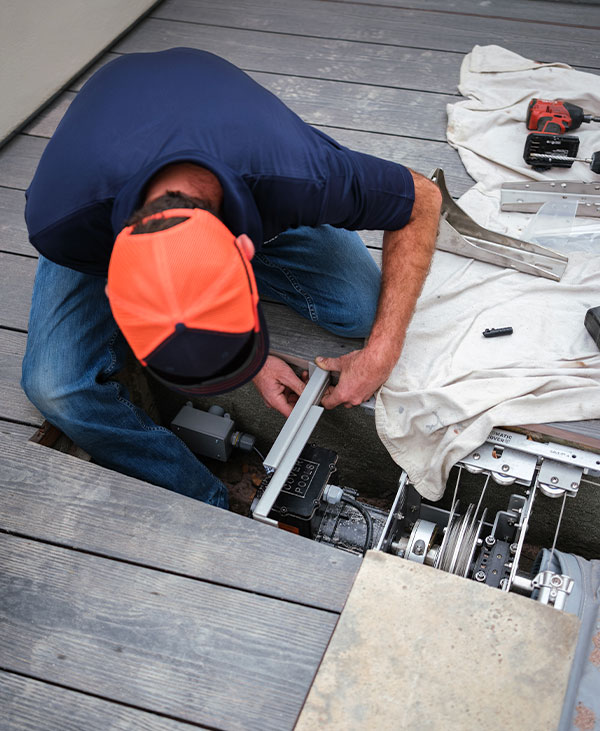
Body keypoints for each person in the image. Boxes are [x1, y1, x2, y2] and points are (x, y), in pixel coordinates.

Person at [22, 48, 441, 509]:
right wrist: (248, 359)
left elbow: (423, 199)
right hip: (97, 182)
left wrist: (384, 351)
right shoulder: (61, 225)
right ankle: (208, 501)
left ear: (248, 247)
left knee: (361, 307)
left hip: (222, 129)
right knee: (57, 388)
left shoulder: (300, 174)